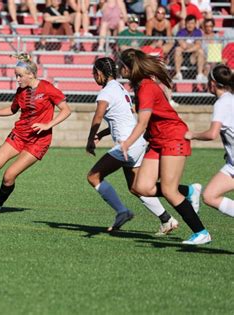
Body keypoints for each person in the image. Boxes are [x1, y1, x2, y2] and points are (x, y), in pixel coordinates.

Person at [119, 48, 210, 245]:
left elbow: (142, 122)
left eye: (121, 66)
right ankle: (189, 192)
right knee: (141, 187)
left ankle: (201, 232)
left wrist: (126, 143)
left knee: (169, 191)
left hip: (173, 138)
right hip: (158, 140)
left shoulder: (146, 88)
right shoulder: (139, 86)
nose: (120, 69)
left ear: (129, 68)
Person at [86, 57, 179, 234]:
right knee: (136, 187)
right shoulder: (120, 88)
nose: (93, 76)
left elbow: (98, 117)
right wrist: (102, 134)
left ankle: (123, 212)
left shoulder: (105, 93)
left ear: (99, 73)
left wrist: (90, 139)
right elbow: (121, 120)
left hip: (128, 144)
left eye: (93, 73)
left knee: (93, 176)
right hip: (136, 141)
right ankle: (167, 219)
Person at [0, 53, 71, 215]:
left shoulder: (47, 88)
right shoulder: (21, 91)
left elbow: (66, 110)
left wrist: (48, 124)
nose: (17, 79)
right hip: (19, 135)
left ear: (31, 74)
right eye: (16, 76)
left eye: (19, 76)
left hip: (38, 141)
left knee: (8, 176)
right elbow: (13, 109)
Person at [185, 64, 234, 218]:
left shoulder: (222, 103)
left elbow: (212, 134)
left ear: (212, 83)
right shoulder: (231, 99)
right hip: (232, 164)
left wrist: (192, 135)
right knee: (210, 196)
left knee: (210, 196)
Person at [173, 14, 206, 82]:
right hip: (182, 57)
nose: (190, 25)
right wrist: (192, 45)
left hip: (192, 57)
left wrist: (188, 48)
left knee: (201, 51)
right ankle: (178, 74)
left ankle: (199, 75)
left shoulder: (198, 32)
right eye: (188, 23)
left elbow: (198, 45)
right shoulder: (181, 32)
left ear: (195, 24)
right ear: (185, 23)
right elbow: (182, 45)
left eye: (192, 23)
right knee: (177, 49)